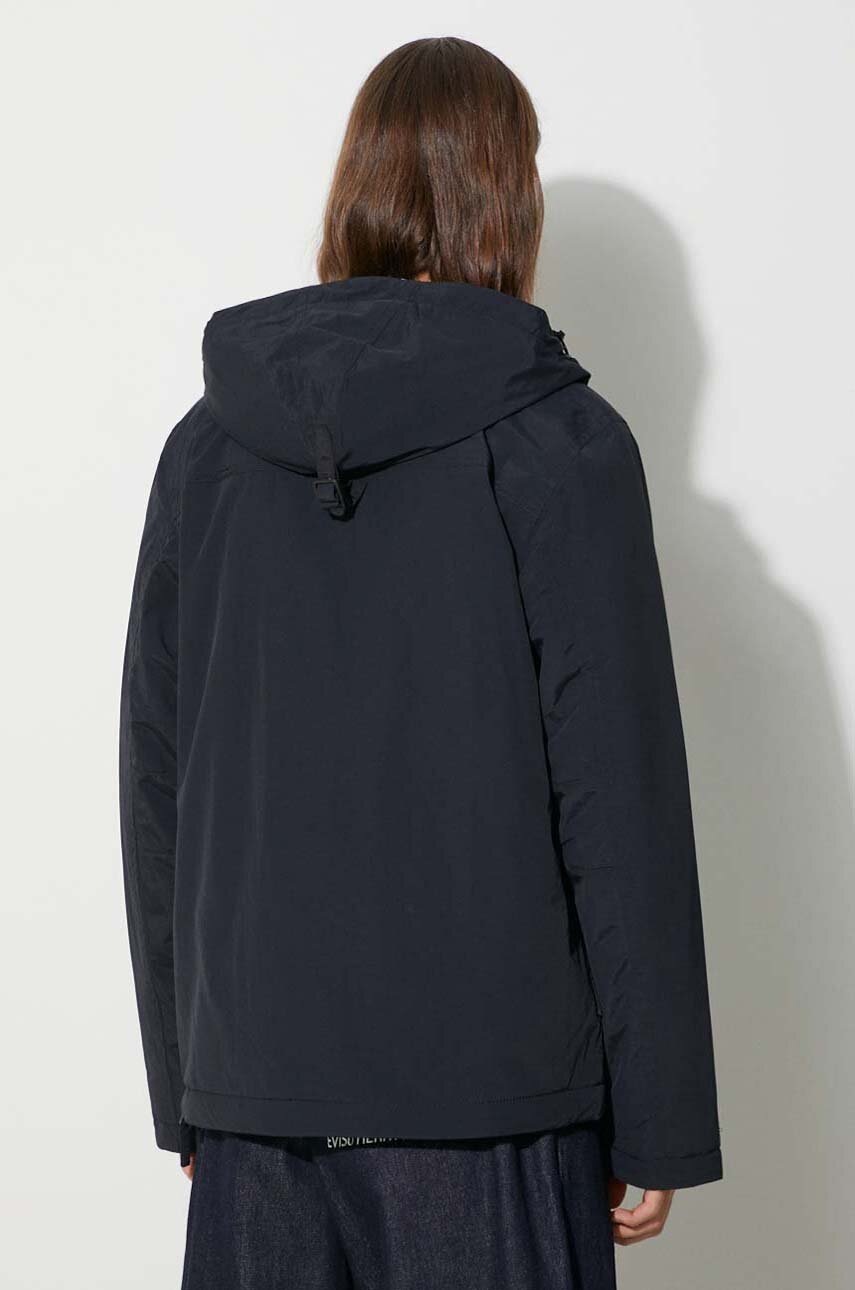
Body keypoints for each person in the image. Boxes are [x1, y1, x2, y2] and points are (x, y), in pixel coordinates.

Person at [119, 35, 722, 1290]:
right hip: (491, 1115)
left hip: (257, 1112)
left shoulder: (206, 450)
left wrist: (192, 1086)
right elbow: (618, 802)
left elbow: (158, 785)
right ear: (509, 195)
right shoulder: (561, 444)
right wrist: (661, 1117)